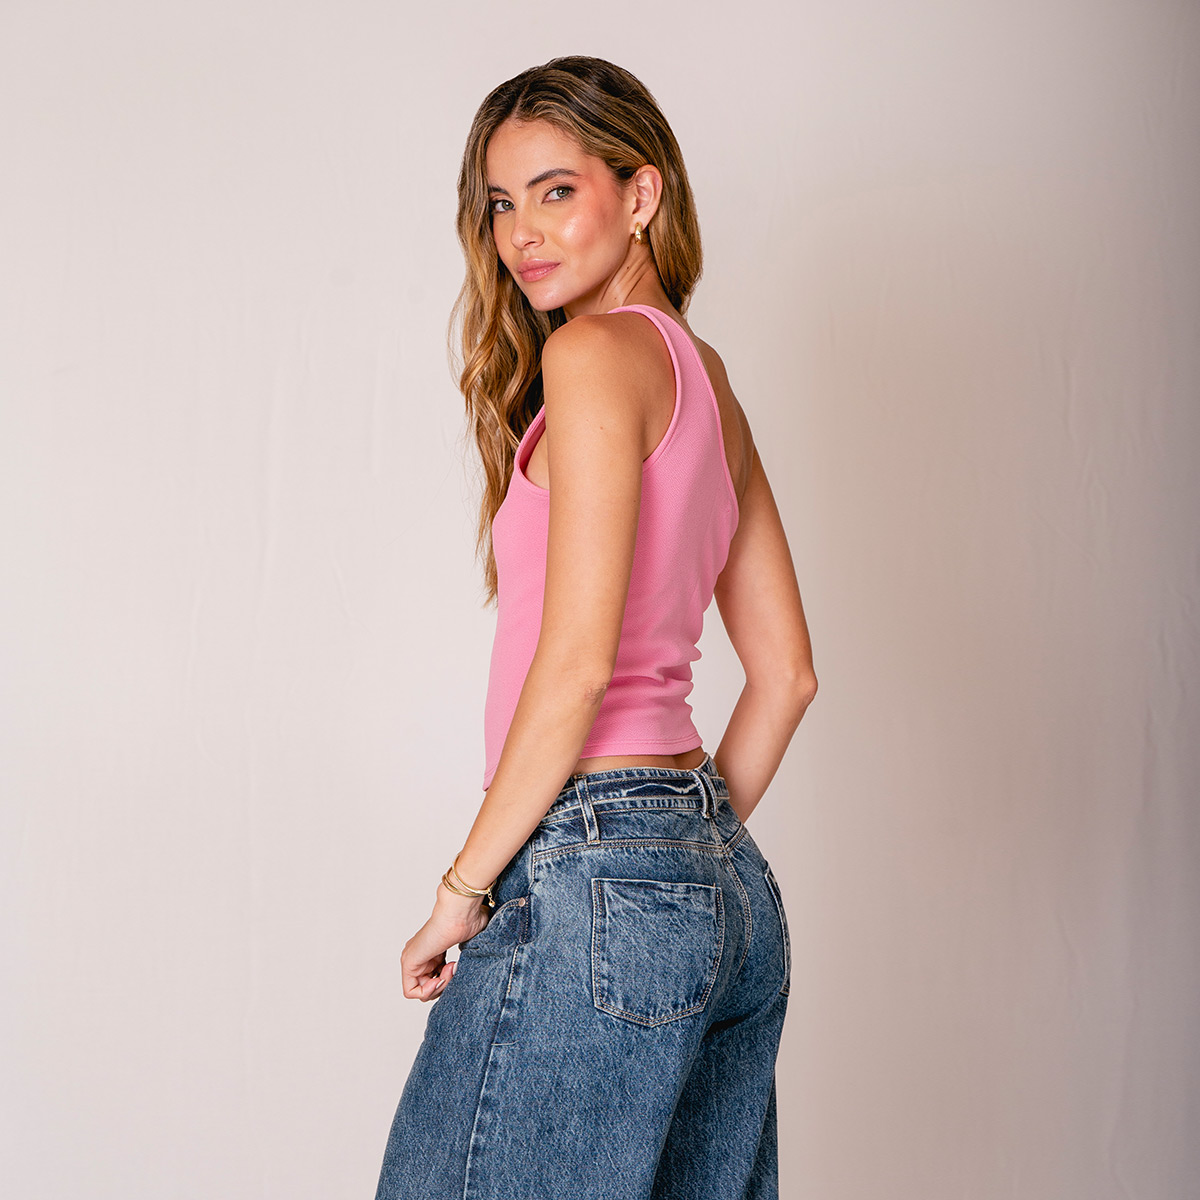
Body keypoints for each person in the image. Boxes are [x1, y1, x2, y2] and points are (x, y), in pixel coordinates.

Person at [374, 55, 817, 1199]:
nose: (520, 232)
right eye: (500, 202)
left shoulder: (589, 356)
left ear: (641, 193)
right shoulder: (706, 381)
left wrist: (463, 889)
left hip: (590, 864)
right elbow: (788, 677)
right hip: (725, 894)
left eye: (557, 190)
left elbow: (575, 669)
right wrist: (683, 853)